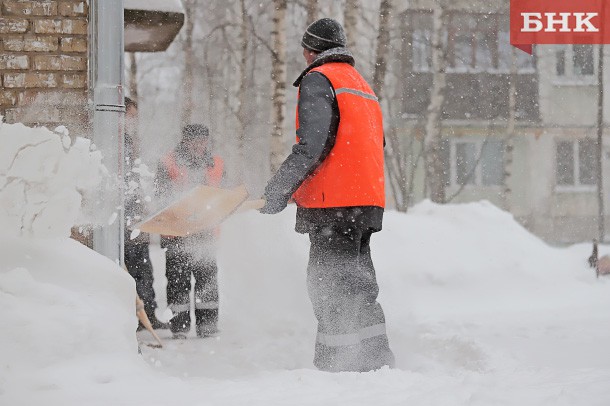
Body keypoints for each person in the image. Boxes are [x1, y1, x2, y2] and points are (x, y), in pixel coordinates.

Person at [259, 18, 395, 372]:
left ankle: (337, 363)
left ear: (309, 50)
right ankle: (375, 359)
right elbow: (375, 143)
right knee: (359, 283)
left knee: (329, 283)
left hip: (334, 204)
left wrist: (278, 189)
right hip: (366, 202)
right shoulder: (361, 84)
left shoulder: (319, 79)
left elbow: (313, 144)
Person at [155, 124, 225, 338]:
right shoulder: (168, 162)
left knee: (207, 281)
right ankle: (180, 328)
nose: (199, 145)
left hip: (206, 231)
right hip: (176, 232)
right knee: (178, 281)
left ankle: (208, 327)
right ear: (185, 140)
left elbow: (224, 192)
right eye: (194, 140)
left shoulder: (217, 163)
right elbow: (161, 195)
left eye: (202, 141)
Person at [123, 97, 168, 330]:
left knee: (143, 267)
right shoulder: (113, 140)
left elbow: (132, 177)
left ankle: (148, 314)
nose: (132, 122)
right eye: (129, 117)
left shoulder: (127, 141)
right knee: (131, 270)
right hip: (120, 219)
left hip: (134, 216)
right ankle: (138, 318)